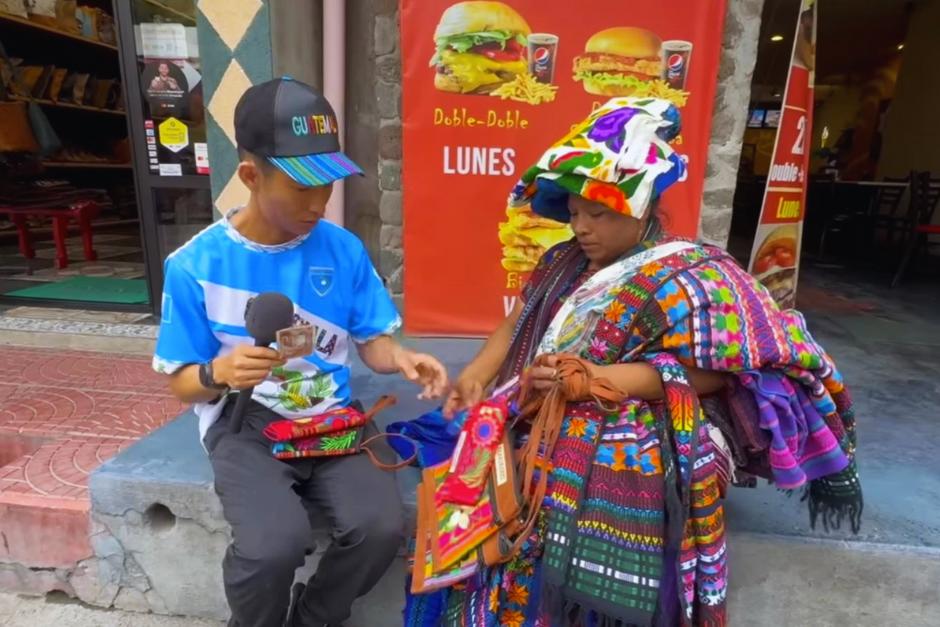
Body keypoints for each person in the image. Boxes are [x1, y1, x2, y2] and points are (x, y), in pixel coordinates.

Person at [408, 98, 861, 626]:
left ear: (640, 208)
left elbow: (718, 372)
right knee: (482, 461)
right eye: (574, 212)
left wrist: (596, 379)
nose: (582, 227)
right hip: (551, 398)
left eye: (597, 213)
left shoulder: (696, 274)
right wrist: (478, 374)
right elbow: (518, 323)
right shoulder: (561, 262)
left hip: (657, 406)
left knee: (586, 476)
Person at [153, 77, 449, 627]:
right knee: (272, 547)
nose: (319, 202)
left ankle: (312, 618)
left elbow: (373, 341)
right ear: (250, 176)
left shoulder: (342, 249)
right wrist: (219, 372)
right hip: (246, 424)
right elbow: (181, 383)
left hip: (333, 418)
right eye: (301, 186)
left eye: (328, 184)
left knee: (380, 527)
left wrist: (401, 358)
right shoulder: (195, 265)